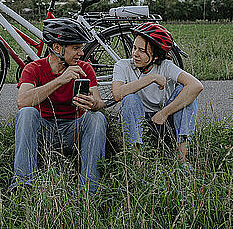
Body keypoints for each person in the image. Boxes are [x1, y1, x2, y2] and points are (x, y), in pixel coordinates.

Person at [10, 18, 107, 195]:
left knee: (97, 117)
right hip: (44, 130)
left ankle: (89, 190)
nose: (81, 53)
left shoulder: (85, 68)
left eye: (81, 48)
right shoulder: (33, 69)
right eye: (76, 48)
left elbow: (100, 103)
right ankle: (23, 184)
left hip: (73, 131)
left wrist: (94, 104)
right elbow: (22, 101)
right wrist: (61, 80)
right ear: (57, 48)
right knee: (27, 113)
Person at [112, 22, 203, 163]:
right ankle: (137, 163)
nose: (135, 54)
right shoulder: (123, 65)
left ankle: (182, 160)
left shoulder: (165, 66)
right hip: (137, 121)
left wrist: (164, 113)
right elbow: (117, 94)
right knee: (129, 98)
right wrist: (151, 78)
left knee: (185, 92)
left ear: (155, 56)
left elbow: (196, 85)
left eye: (142, 51)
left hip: (163, 122)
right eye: (134, 48)